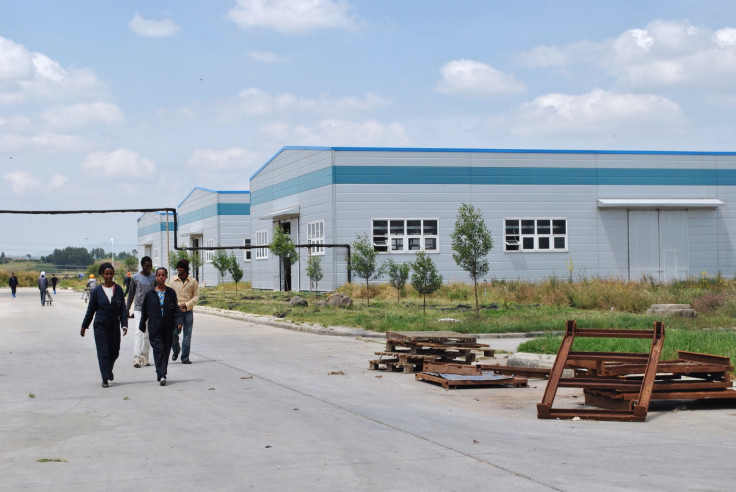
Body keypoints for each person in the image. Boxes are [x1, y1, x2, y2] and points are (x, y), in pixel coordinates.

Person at [80, 262, 128, 388]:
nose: (109, 276)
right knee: (103, 352)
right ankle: (105, 378)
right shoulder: (96, 291)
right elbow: (90, 310)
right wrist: (84, 326)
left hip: (114, 325)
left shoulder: (118, 289)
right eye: (106, 273)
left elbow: (123, 309)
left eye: (111, 273)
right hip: (100, 326)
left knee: (115, 352)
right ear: (102, 275)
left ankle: (108, 369)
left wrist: (124, 324)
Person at [139, 267, 182, 386]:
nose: (161, 277)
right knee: (158, 350)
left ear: (166, 277)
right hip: (154, 327)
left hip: (168, 327)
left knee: (166, 350)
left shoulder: (171, 292)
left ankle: (161, 373)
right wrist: (142, 324)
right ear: (156, 277)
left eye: (163, 275)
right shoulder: (150, 294)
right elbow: (144, 311)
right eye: (159, 275)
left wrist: (179, 320)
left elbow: (176, 309)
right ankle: (162, 374)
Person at [126, 256, 155, 368]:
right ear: (142, 265)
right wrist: (127, 308)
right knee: (139, 332)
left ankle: (145, 356)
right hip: (138, 309)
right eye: (146, 265)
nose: (148, 268)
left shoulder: (154, 278)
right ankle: (137, 357)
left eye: (150, 265)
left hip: (151, 310)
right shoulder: (136, 277)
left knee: (147, 334)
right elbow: (131, 294)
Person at [171, 259, 199, 364]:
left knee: (187, 335)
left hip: (188, 312)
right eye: (178, 267)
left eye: (181, 267)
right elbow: (169, 295)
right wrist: (176, 306)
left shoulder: (193, 282)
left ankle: (185, 357)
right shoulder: (173, 281)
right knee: (173, 334)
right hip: (176, 312)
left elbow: (196, 296)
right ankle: (176, 349)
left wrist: (187, 305)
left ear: (185, 269)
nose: (179, 269)